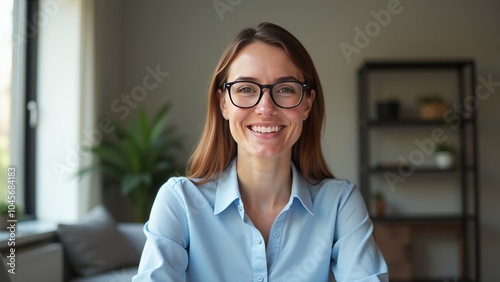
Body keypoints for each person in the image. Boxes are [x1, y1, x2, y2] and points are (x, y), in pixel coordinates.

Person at [133, 22, 388, 281]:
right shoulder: (180, 201)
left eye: (286, 89)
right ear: (223, 103)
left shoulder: (340, 203)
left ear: (307, 104)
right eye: (246, 89)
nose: (266, 108)